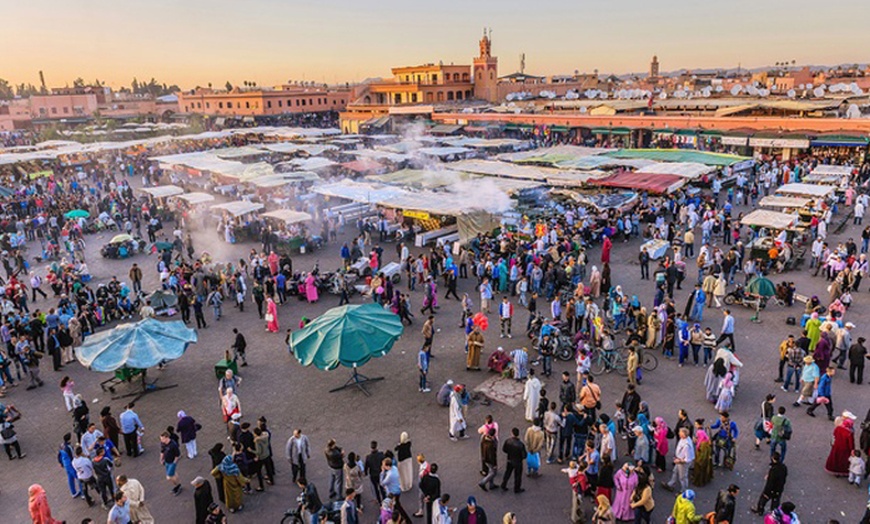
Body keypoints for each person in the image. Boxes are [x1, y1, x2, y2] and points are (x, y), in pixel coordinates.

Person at [500, 427, 526, 493]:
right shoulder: (520, 444)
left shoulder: (508, 441)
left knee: (507, 472)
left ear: (512, 433)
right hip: (518, 462)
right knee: (517, 476)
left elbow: (504, 450)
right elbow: (524, 455)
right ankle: (517, 489)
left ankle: (503, 484)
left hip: (510, 459)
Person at [160, 431, 182, 496]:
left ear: (167, 438)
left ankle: (177, 485)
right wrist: (161, 459)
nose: (161, 440)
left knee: (169, 477)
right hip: (166, 461)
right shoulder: (163, 443)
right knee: (173, 473)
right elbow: (162, 451)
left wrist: (174, 463)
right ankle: (178, 484)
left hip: (172, 462)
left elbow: (177, 455)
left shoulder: (173, 445)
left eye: (162, 439)